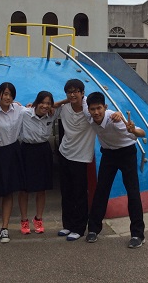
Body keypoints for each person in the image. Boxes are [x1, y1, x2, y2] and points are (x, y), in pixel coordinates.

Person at [84, 91, 146, 249]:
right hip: (108, 154)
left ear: (105, 107)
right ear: (88, 109)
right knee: (101, 190)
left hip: (126, 153)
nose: (96, 112)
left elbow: (142, 133)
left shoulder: (115, 120)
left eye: (99, 108)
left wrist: (132, 130)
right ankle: (93, 229)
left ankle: (138, 234)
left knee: (132, 192)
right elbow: (76, 98)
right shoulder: (89, 116)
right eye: (93, 109)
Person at [0, 82, 26, 243]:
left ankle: (5, 227)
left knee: (8, 191)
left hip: (13, 152)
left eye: (10, 94)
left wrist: (52, 106)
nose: (7, 97)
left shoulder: (19, 109)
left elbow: (38, 109)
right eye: (5, 93)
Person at [57, 79, 96, 241]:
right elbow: (50, 107)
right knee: (66, 192)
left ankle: (79, 228)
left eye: (76, 91)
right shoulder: (64, 109)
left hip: (80, 158)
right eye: (69, 92)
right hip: (64, 153)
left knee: (80, 193)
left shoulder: (90, 112)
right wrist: (67, 100)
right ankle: (68, 224)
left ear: (82, 93)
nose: (72, 94)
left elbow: (100, 113)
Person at [17, 91, 60, 235]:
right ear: (36, 102)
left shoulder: (52, 114)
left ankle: (38, 219)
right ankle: (24, 220)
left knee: (42, 188)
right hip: (27, 151)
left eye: (48, 103)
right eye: (42, 102)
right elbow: (7, 105)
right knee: (24, 189)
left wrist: (53, 106)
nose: (45, 106)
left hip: (43, 150)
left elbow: (67, 103)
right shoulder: (25, 113)